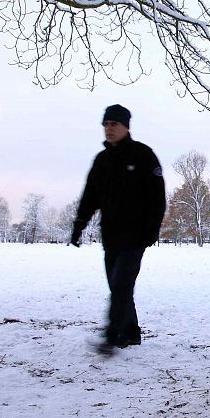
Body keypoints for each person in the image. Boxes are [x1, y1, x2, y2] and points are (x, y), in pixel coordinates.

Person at [69, 104, 166, 355]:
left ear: (126, 127)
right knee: (118, 286)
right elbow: (90, 196)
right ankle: (131, 333)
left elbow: (157, 198)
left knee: (122, 284)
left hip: (136, 236)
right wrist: (79, 226)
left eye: (114, 124)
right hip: (110, 235)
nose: (109, 129)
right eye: (106, 124)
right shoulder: (102, 160)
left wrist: (151, 231)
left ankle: (113, 336)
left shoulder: (144, 155)